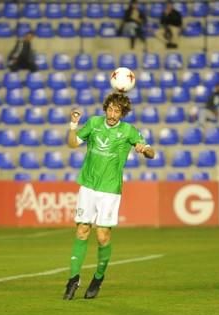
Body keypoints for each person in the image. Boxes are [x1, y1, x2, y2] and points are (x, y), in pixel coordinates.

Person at [64, 93, 155, 300]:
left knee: (102, 235)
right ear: (105, 109)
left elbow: (152, 153)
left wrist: (144, 149)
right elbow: (72, 143)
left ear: (122, 114)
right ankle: (73, 279)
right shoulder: (94, 123)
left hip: (109, 190)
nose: (113, 114)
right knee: (82, 231)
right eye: (111, 110)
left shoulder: (128, 131)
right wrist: (73, 124)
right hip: (88, 185)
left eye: (118, 111)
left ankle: (98, 278)